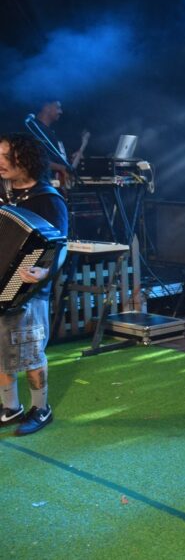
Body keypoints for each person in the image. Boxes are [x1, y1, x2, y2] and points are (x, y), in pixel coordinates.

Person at [0, 133, 68, 435]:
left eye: (6, 156)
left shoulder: (48, 200)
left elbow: (61, 247)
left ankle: (41, 409)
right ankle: (10, 408)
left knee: (29, 351)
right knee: (0, 350)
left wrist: (45, 272)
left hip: (30, 290)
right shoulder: (3, 193)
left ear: (25, 159)